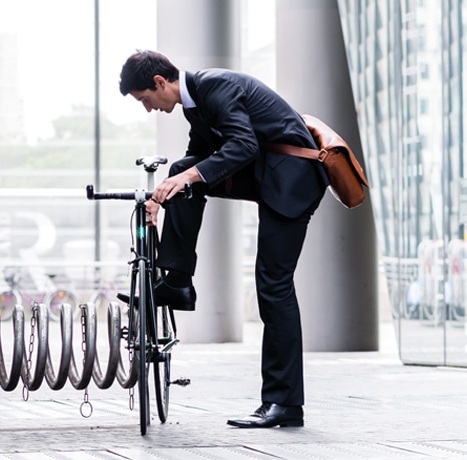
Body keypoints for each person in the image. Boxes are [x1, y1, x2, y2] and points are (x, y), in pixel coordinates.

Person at [117, 50, 328, 428]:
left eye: (145, 100)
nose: (148, 109)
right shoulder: (194, 104)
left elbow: (243, 145)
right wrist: (163, 196)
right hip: (267, 173)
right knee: (182, 173)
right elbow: (197, 158)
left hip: (293, 179)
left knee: (273, 287)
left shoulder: (215, 86)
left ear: (160, 83)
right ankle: (178, 282)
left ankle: (284, 404)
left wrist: (184, 179)